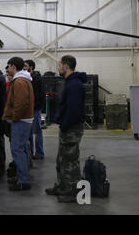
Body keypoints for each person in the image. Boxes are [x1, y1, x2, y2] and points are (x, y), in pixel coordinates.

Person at [46, 55, 86, 203]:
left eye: (60, 65)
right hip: (67, 127)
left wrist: (64, 124)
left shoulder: (74, 85)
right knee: (61, 159)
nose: (58, 67)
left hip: (71, 128)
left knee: (70, 160)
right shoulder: (70, 82)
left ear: (66, 66)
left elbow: (74, 111)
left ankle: (71, 192)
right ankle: (63, 186)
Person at [2, 57, 34, 191]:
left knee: (17, 150)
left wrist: (14, 117)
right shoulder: (24, 79)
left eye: (8, 66)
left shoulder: (19, 81)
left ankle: (23, 180)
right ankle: (23, 176)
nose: (7, 69)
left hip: (20, 121)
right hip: (24, 120)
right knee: (22, 149)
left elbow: (21, 103)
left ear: (13, 66)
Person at [24, 60, 46, 160]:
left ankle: (40, 153)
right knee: (28, 133)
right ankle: (30, 152)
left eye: (26, 66)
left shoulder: (37, 79)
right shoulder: (26, 78)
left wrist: (35, 107)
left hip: (35, 109)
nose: (24, 67)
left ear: (31, 67)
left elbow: (40, 95)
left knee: (37, 131)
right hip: (28, 109)